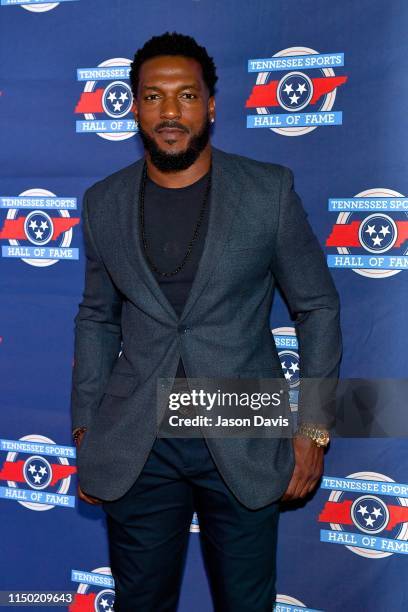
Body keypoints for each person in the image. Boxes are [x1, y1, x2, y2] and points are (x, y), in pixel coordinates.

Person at [71, 32, 342, 612]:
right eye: (153, 97)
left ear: (212, 105)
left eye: (187, 95)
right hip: (138, 436)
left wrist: (312, 428)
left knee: (246, 603)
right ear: (134, 105)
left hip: (244, 421)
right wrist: (85, 430)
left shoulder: (267, 191)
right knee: (141, 602)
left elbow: (317, 307)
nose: (170, 112)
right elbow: (97, 319)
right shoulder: (102, 202)